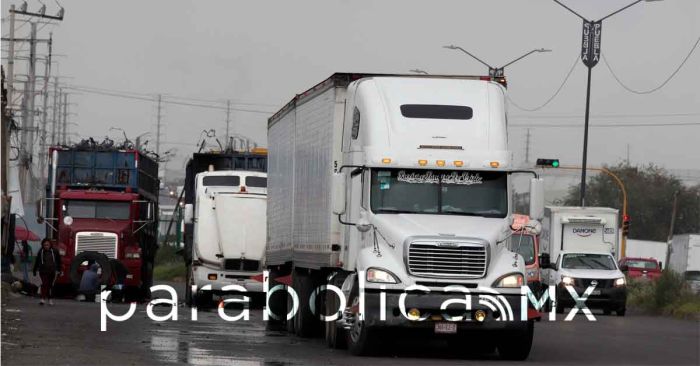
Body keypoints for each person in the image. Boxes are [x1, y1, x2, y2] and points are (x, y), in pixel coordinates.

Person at [32, 238, 61, 306]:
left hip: (52, 270)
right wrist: (34, 270)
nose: (46, 246)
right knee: (44, 284)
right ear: (43, 245)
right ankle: (42, 299)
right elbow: (37, 261)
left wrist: (59, 270)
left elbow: (59, 261)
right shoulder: (41, 252)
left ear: (50, 245)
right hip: (43, 271)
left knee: (50, 285)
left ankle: (50, 299)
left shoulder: (55, 251)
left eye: (47, 245)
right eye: (45, 245)